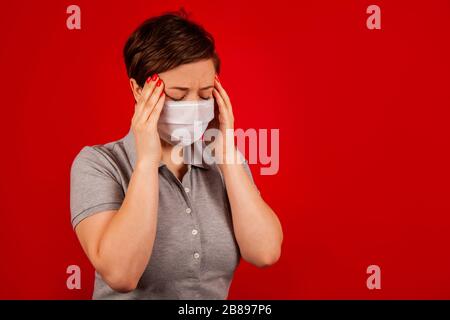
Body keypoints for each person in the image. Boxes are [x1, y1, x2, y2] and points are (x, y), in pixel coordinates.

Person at [70, 10, 283, 299]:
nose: (194, 105)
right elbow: (121, 274)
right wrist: (146, 163)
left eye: (206, 94)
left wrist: (226, 152)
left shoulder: (223, 161)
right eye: (178, 95)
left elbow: (265, 252)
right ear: (138, 89)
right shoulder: (99, 164)